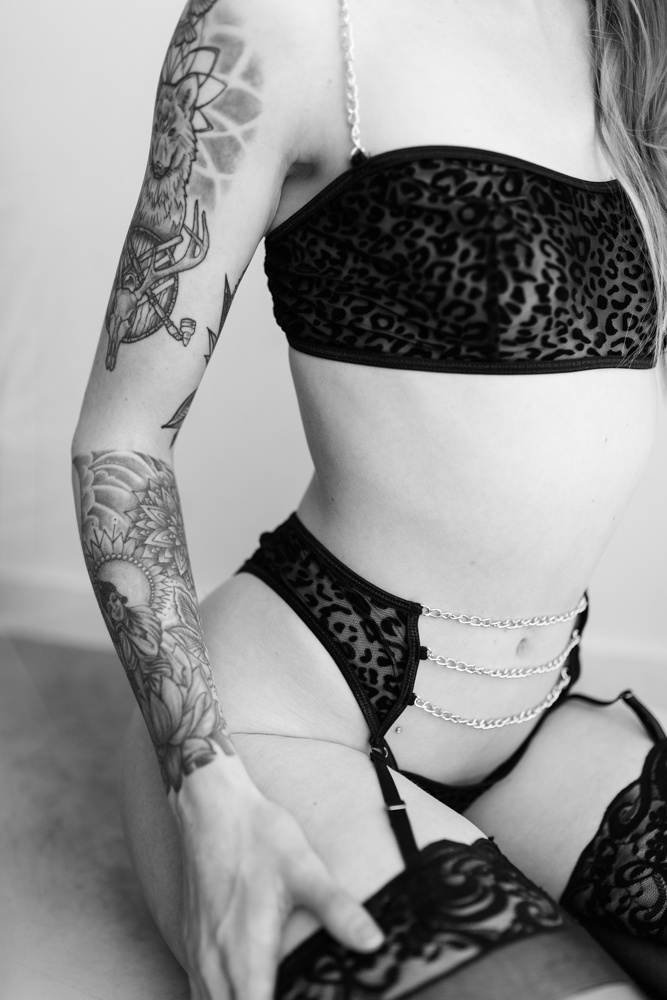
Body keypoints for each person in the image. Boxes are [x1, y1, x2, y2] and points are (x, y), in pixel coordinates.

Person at [71, 0, 667, 997]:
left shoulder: (624, 33)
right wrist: (207, 789)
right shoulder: (281, 24)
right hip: (288, 716)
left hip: (534, 719)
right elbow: (121, 439)